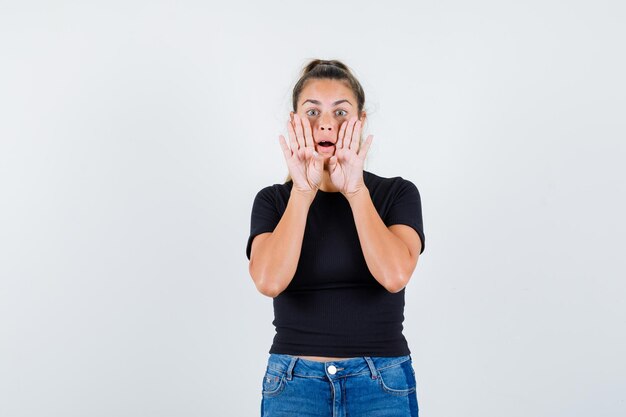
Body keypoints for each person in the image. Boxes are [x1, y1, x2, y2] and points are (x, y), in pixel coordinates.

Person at [246, 59, 425, 416]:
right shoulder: (274, 200)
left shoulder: (397, 194)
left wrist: (356, 191)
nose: (326, 123)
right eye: (312, 112)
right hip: (293, 385)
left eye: (340, 112)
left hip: (381, 384)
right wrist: (302, 191)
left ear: (361, 122)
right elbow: (268, 281)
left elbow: (394, 276)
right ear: (294, 122)